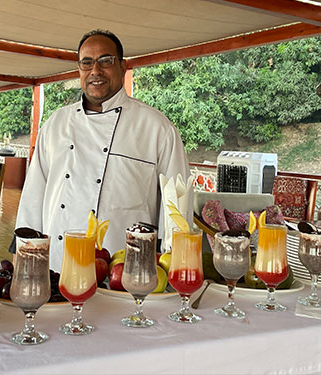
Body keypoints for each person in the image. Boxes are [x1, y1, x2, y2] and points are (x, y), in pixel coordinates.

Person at [16, 29, 191, 271]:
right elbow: (33, 198)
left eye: (105, 61)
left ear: (122, 66)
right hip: (56, 266)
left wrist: (175, 263)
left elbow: (177, 206)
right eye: (86, 63)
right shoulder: (56, 124)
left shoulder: (156, 128)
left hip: (125, 270)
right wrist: (26, 257)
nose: (95, 71)